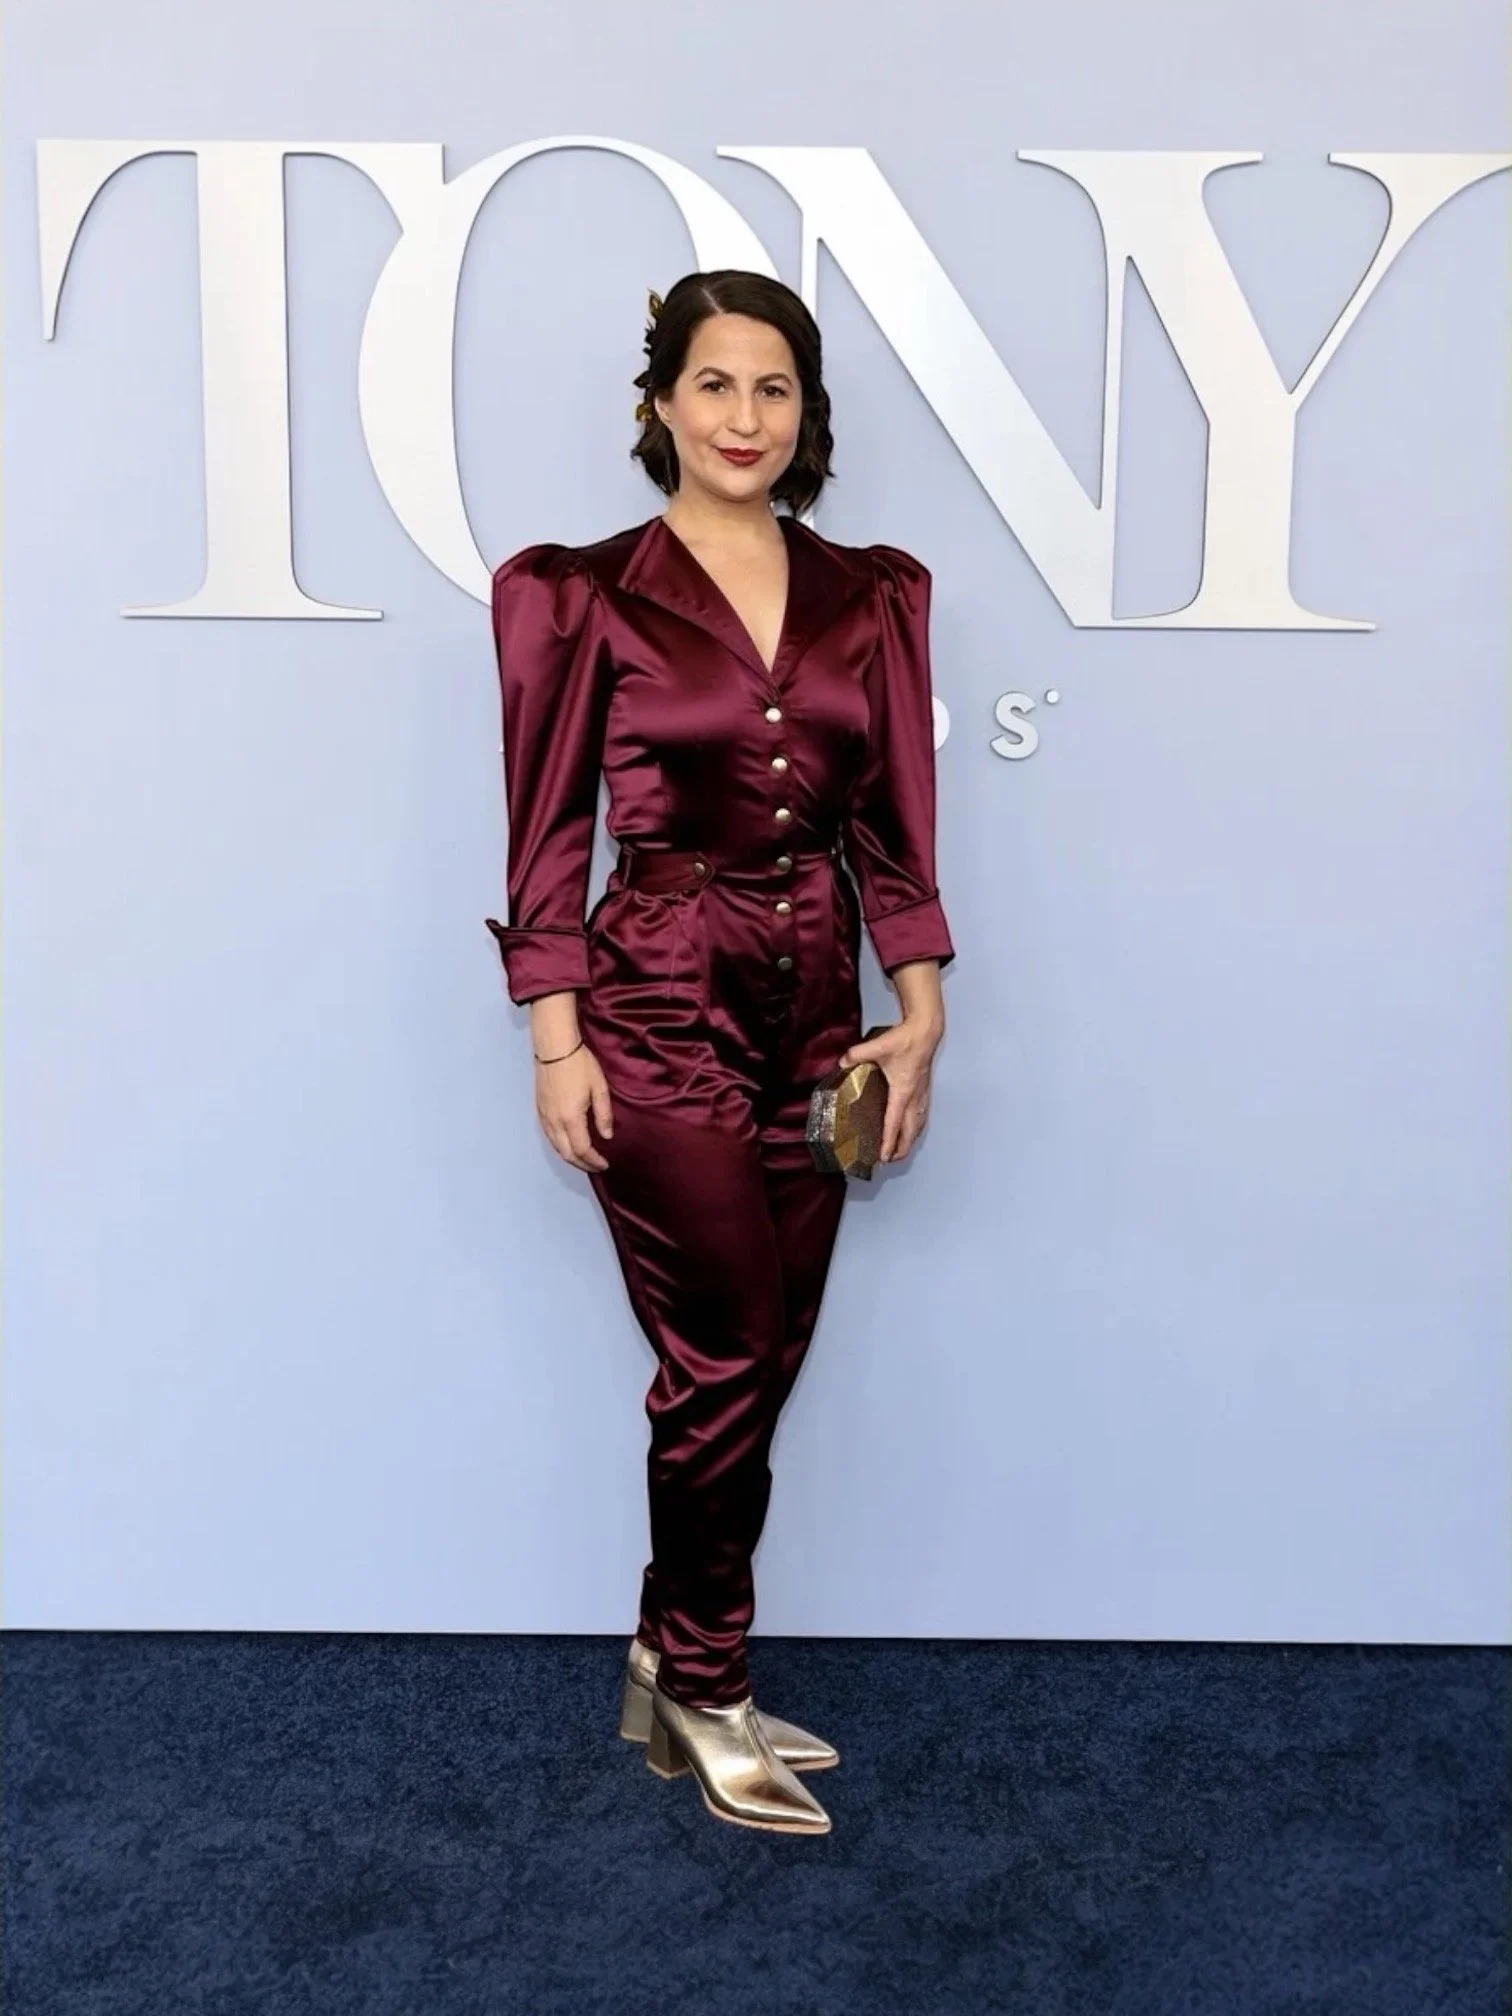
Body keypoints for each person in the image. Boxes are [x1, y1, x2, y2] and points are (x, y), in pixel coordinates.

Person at [484, 269, 955, 1836]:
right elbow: (548, 824)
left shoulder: (872, 594)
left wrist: (925, 1002)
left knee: (771, 1357)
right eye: (714, 385)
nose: (744, 417)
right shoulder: (582, 594)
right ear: (660, 404)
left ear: (807, 414)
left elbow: (889, 823)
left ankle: (667, 1661)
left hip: (820, 1008)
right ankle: (705, 1681)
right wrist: (557, 1035)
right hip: (655, 998)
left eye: (774, 389)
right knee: (725, 1355)